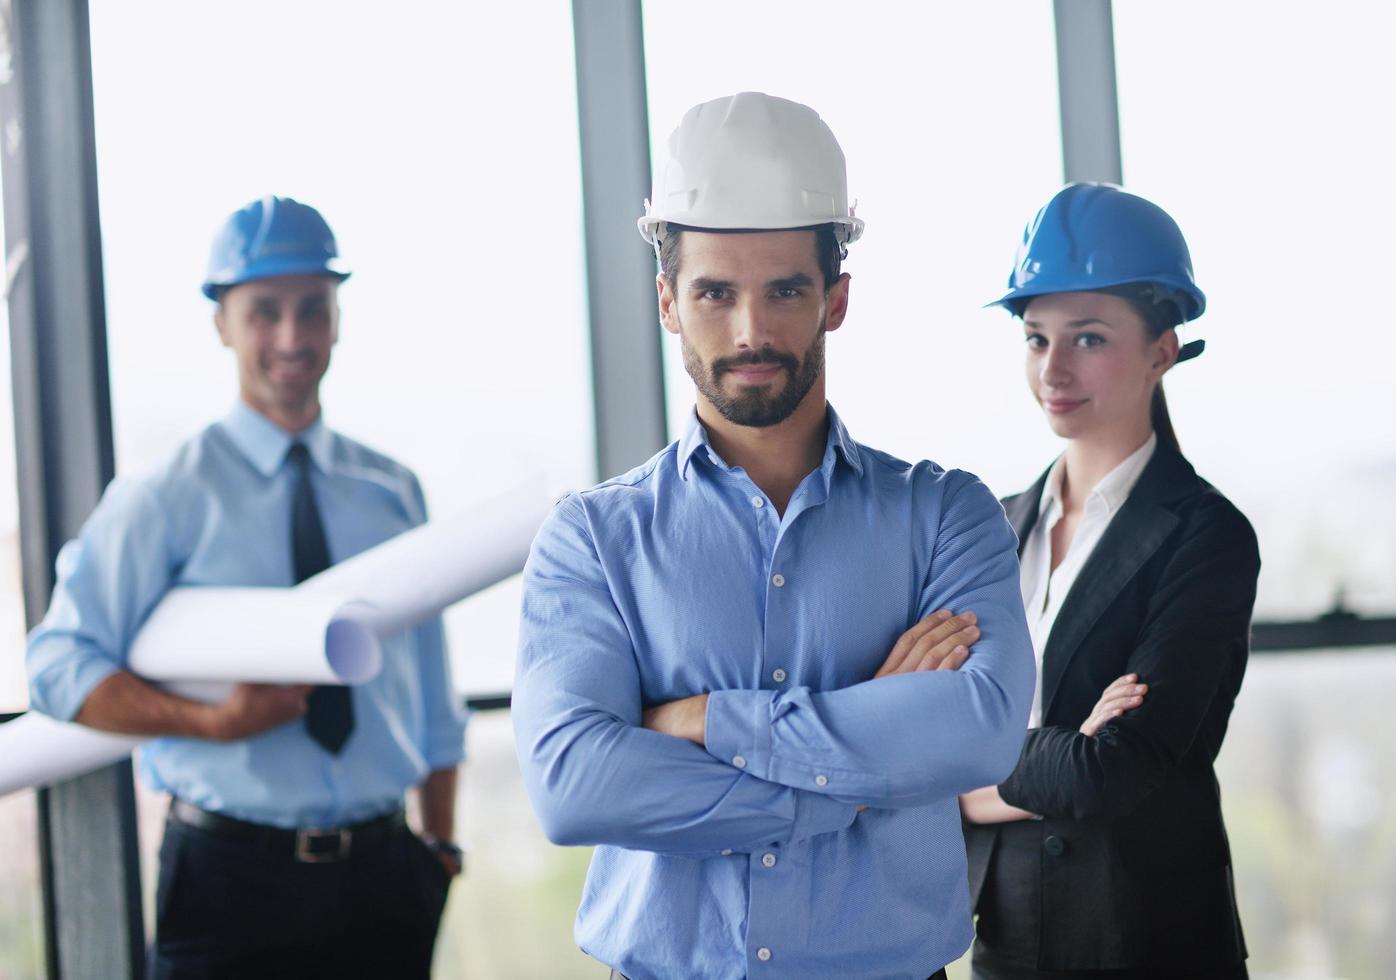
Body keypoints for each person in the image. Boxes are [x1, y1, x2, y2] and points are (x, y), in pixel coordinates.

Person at [512, 92, 1034, 980]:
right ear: (668, 302)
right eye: (715, 292)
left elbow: (981, 734)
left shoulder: (946, 515)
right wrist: (853, 785)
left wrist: (703, 721)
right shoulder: (592, 540)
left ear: (834, 299)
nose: (750, 331)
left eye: (785, 289)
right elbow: (572, 785)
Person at [25, 196, 468, 979]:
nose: (292, 337)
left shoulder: (392, 491)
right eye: (265, 312)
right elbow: (58, 664)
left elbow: (432, 697)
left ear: (338, 317)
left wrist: (437, 849)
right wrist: (211, 723)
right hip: (230, 881)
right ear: (222, 323)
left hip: (385, 879)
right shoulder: (165, 496)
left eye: (312, 309)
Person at [959, 183, 1260, 979]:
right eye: (1034, 338)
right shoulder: (990, 528)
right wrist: (1055, 752)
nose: (1052, 368)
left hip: (1147, 939)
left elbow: (1112, 770)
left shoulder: (1206, 536)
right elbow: (922, 748)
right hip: (1005, 939)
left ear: (1162, 348)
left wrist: (971, 771)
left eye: (1087, 338)